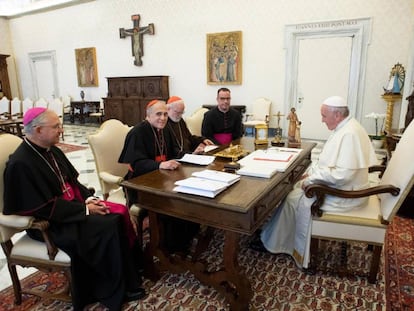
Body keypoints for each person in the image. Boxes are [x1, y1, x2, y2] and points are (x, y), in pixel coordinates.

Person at [3, 107, 146, 311]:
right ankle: (109, 288)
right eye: (56, 126)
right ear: (38, 130)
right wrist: (84, 211)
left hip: (70, 211)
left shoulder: (53, 150)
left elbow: (73, 183)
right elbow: (42, 208)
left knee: (112, 216)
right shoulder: (20, 164)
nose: (61, 130)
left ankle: (127, 276)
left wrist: (89, 200)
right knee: (106, 225)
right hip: (51, 224)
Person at [250, 96, 377, 269]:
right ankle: (270, 235)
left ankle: (274, 244)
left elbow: (342, 176)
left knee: (292, 198)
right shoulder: (348, 126)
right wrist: (312, 174)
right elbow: (331, 166)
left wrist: (311, 179)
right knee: (293, 189)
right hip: (345, 187)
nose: (322, 120)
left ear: (337, 115)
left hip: (345, 196)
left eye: (324, 116)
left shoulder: (348, 134)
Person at [118, 100, 200, 253]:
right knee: (174, 206)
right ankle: (167, 248)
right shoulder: (137, 132)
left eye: (165, 114)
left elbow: (175, 153)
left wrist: (193, 156)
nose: (162, 118)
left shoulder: (165, 130)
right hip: (139, 184)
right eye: (158, 114)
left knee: (188, 199)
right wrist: (160, 165)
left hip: (163, 180)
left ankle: (184, 240)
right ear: (148, 116)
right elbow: (136, 164)